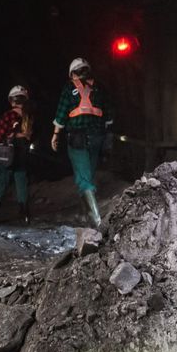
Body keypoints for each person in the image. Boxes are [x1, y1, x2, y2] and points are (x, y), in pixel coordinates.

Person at [51, 58, 113, 227]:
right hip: (97, 136)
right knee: (88, 174)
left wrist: (56, 134)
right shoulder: (99, 88)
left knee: (84, 179)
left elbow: (61, 113)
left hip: (77, 138)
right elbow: (108, 115)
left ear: (72, 74)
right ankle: (84, 214)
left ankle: (96, 221)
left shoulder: (69, 87)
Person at [0, 85, 33, 224]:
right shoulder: (29, 117)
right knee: (21, 182)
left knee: (1, 181)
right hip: (22, 153)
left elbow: (1, 134)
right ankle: (24, 215)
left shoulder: (8, 115)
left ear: (11, 100)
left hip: (7, 153)